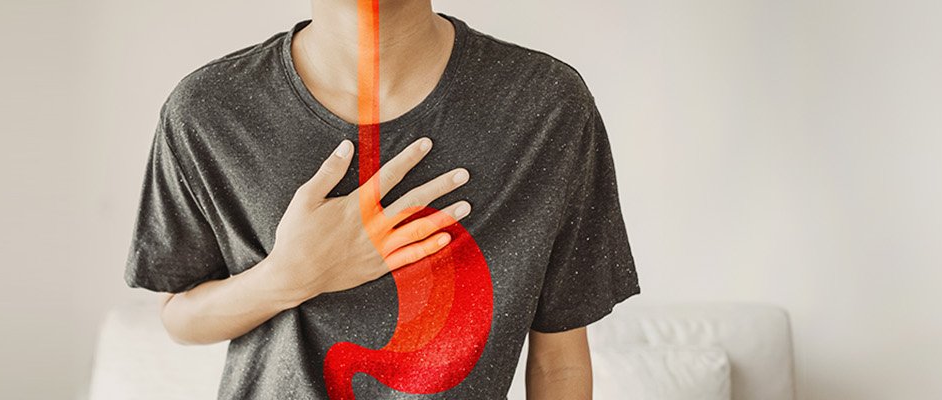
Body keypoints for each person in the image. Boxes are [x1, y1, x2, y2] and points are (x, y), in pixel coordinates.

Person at [124, 0, 640, 398]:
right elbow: (179, 315)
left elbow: (560, 357)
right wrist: (286, 277)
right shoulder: (207, 111)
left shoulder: (548, 107)